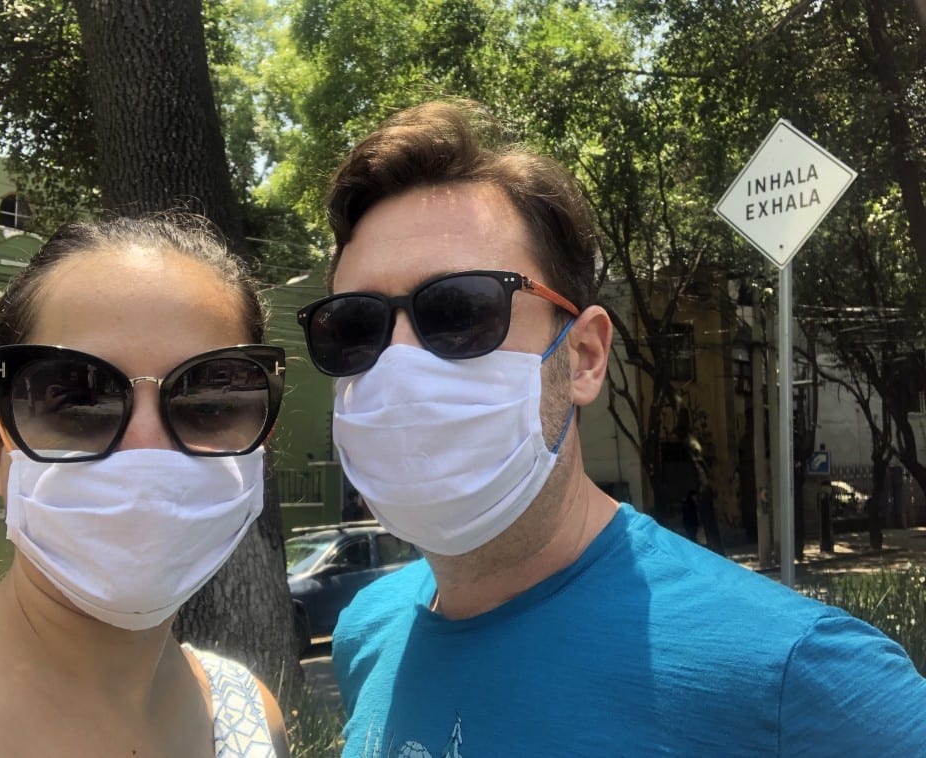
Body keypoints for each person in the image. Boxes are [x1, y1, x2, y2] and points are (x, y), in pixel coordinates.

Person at [295, 100, 926, 755]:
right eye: (354, 327)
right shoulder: (368, 632)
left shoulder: (800, 679)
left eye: (460, 311)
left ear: (585, 357)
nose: (400, 365)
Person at [0, 215, 289, 756]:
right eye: (78, 400)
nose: (148, 448)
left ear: (262, 442)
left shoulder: (251, 715)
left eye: (209, 401)